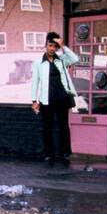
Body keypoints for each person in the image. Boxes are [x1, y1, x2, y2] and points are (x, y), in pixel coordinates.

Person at [31, 33, 81, 164]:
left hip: (62, 98)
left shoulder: (62, 60)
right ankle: (49, 154)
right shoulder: (38, 63)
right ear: (46, 45)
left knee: (63, 126)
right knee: (47, 127)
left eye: (55, 46)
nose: (52, 49)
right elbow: (35, 82)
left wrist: (63, 45)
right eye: (50, 45)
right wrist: (34, 100)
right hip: (46, 99)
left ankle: (65, 153)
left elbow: (75, 59)